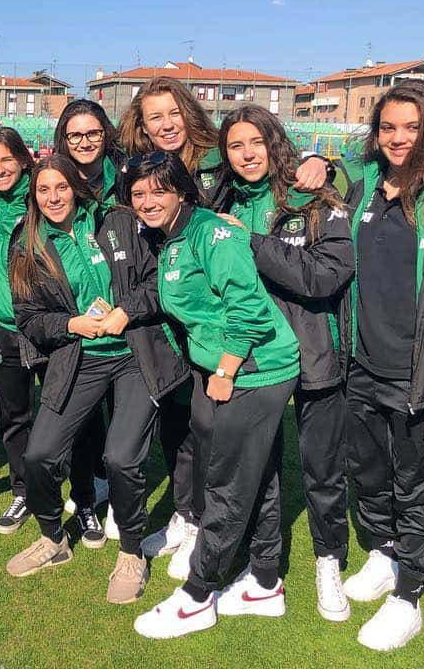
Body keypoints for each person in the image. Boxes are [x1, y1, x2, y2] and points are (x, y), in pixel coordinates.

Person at [118, 77, 331, 577]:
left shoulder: (222, 159)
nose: (165, 123)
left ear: (187, 112)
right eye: (154, 117)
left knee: (241, 448)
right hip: (181, 325)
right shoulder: (143, 171)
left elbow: (275, 165)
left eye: (172, 112)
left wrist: (326, 163)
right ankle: (189, 517)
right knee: (186, 427)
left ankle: (247, 552)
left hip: (242, 332)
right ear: (142, 127)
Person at [124, 151, 300, 639]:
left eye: (158, 190)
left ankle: (199, 596)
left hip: (253, 371)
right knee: (258, 476)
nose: (147, 201)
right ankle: (265, 583)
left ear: (181, 189)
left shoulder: (211, 233)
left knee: (225, 487)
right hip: (233, 369)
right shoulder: (173, 237)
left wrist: (225, 369)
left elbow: (247, 305)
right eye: (138, 194)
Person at [6, 154, 188, 606]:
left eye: (61, 188)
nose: (53, 198)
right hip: (78, 358)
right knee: (40, 453)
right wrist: (70, 325)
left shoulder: (118, 221)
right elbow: (28, 317)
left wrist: (128, 310)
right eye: (43, 190)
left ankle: (130, 552)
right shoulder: (26, 244)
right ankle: (53, 538)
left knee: (121, 458)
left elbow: (157, 277)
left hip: (133, 355)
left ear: (75, 188)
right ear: (34, 195)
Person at [339, 80, 424, 651]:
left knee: (418, 486)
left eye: (411, 127)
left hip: (421, 378)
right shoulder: (365, 188)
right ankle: (383, 552)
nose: (398, 139)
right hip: (360, 369)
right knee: (368, 475)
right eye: (388, 127)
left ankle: (410, 594)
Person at [215, 104, 355, 622]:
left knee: (322, 470)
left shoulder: (316, 198)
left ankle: (328, 562)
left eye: (256, 142)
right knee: (260, 469)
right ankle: (264, 571)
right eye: (235, 146)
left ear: (275, 143)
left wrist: (252, 243)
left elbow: (324, 277)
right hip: (255, 359)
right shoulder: (223, 196)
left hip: (315, 355)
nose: (247, 154)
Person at [0, 128, 96, 536]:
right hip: (3, 329)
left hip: (49, 327)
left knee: (71, 414)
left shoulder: (43, 196)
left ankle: (85, 496)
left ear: (23, 159)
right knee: (15, 416)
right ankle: (23, 490)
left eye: (7, 159)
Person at [49, 100, 125, 530]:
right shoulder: (53, 181)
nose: (84, 142)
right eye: (75, 135)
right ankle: (95, 481)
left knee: (125, 412)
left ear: (106, 134)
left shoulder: (126, 177)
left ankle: (120, 489)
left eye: (93, 133)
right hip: (75, 321)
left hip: (124, 315)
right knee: (85, 411)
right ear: (64, 138)